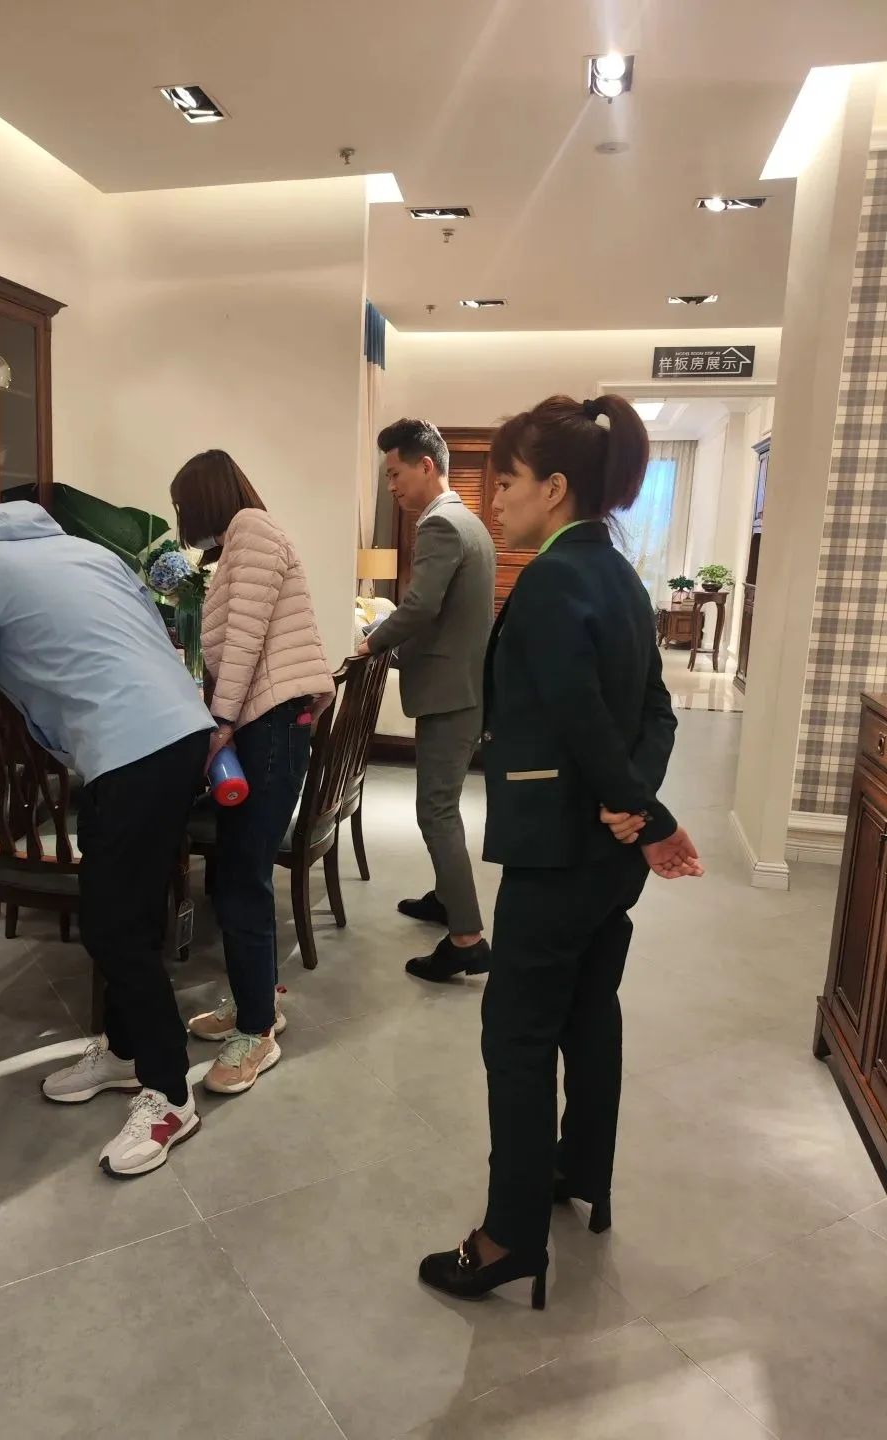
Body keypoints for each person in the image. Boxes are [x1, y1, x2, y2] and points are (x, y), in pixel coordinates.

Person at [419, 395, 703, 1305]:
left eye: (505, 481)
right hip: (605, 861)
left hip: (556, 851)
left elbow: (581, 717)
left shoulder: (549, 580)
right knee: (588, 1008)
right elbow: (656, 713)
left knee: (515, 1032)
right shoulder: (620, 575)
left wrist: (639, 812)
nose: (494, 497)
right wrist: (638, 806)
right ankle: (582, 1171)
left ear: (554, 487)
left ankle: (508, 1237)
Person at [0, 495, 215, 1179]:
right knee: (126, 909)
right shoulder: (87, 553)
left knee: (114, 925)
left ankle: (170, 1095)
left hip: (132, 750)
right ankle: (124, 1051)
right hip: (178, 735)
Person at [172, 451, 334, 1096]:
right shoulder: (245, 536)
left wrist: (220, 722)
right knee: (239, 873)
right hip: (267, 723)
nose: (182, 517)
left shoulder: (252, 530)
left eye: (182, 505)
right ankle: (255, 1001)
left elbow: (243, 640)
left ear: (203, 497)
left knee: (242, 878)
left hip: (268, 726)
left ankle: (257, 1031)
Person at [360, 419, 497, 982]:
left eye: (395, 474)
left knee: (436, 810)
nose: (391, 486)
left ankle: (466, 938)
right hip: (462, 686)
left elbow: (419, 606)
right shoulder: (470, 521)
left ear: (426, 465)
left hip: (450, 693)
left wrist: (371, 641)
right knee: (442, 806)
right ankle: (447, 899)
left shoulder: (440, 524)